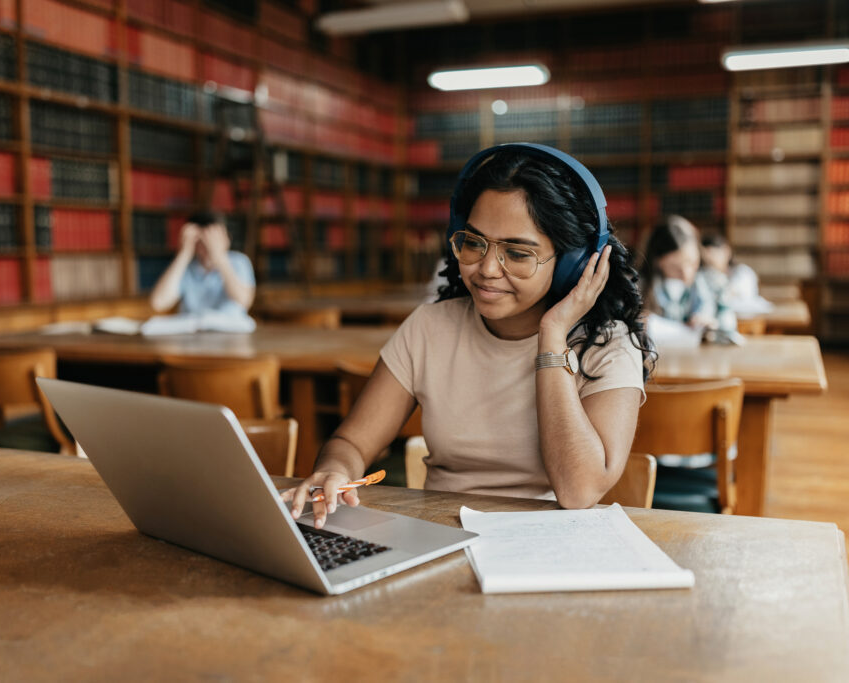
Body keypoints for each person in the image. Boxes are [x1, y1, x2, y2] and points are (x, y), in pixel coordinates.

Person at [284, 144, 655, 528]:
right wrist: (335, 470)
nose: (487, 269)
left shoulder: (608, 345)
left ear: (573, 263)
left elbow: (579, 491)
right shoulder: (430, 328)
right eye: (474, 243)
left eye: (517, 253)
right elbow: (352, 443)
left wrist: (553, 335)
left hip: (554, 549)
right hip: (441, 537)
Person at [639, 215, 736, 337]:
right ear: (657, 263)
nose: (686, 274)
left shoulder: (715, 283)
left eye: (691, 262)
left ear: (699, 253)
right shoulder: (639, 288)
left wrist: (714, 327)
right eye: (674, 267)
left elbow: (729, 328)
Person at [149, 210, 256, 318]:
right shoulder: (186, 267)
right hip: (192, 331)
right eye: (202, 241)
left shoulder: (239, 262)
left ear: (227, 238)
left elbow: (244, 301)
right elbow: (158, 303)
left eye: (213, 239)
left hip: (230, 331)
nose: (208, 245)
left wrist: (220, 258)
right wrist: (184, 253)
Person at [700, 232, 771, 315]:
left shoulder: (742, 272)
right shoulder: (704, 275)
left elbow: (733, 293)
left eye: (713, 253)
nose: (710, 259)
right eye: (706, 255)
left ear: (726, 251)